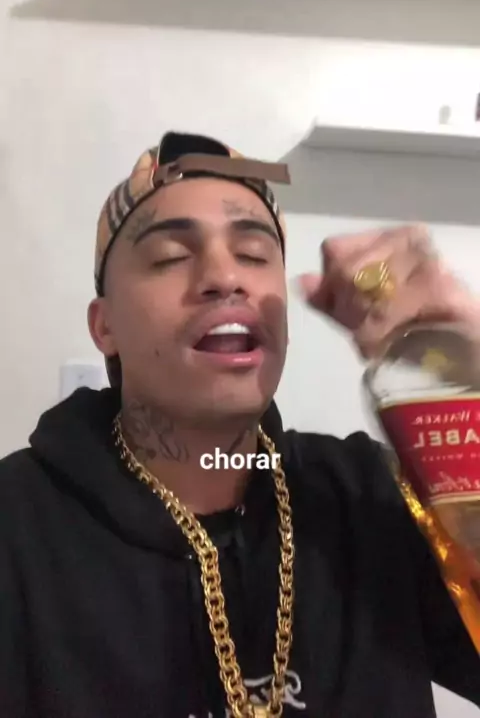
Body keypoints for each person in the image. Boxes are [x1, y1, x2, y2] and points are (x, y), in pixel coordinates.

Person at [1, 131, 479, 718]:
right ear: (105, 327)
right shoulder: (17, 527)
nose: (225, 277)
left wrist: (466, 363)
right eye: (170, 256)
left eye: (253, 254)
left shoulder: (371, 496)